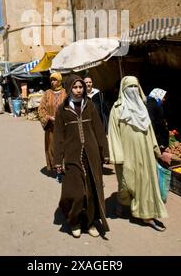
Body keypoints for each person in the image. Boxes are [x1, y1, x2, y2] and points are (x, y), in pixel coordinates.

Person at [108, 76, 170, 232]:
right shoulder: (117, 109)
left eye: (136, 87)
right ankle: (122, 202)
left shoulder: (143, 108)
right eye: (130, 87)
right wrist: (117, 156)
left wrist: (157, 151)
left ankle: (146, 215)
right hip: (127, 154)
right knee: (127, 183)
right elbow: (113, 134)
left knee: (145, 184)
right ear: (123, 90)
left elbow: (150, 133)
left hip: (145, 154)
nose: (133, 90)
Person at [53, 75, 109, 238]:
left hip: (91, 156)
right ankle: (74, 222)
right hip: (72, 156)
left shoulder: (90, 106)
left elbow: (99, 130)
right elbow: (58, 137)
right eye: (75, 87)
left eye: (81, 87)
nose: (78, 90)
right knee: (75, 192)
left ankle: (89, 222)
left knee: (92, 191)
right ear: (69, 89)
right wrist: (58, 159)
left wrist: (104, 152)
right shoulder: (62, 110)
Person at [38, 73, 66, 176]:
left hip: (64, 126)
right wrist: (49, 117)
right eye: (51, 80)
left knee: (64, 146)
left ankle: (64, 167)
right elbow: (41, 109)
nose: (53, 82)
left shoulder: (66, 93)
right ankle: (56, 168)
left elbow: (69, 107)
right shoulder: (47, 93)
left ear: (59, 80)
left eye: (55, 80)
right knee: (52, 147)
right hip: (51, 127)